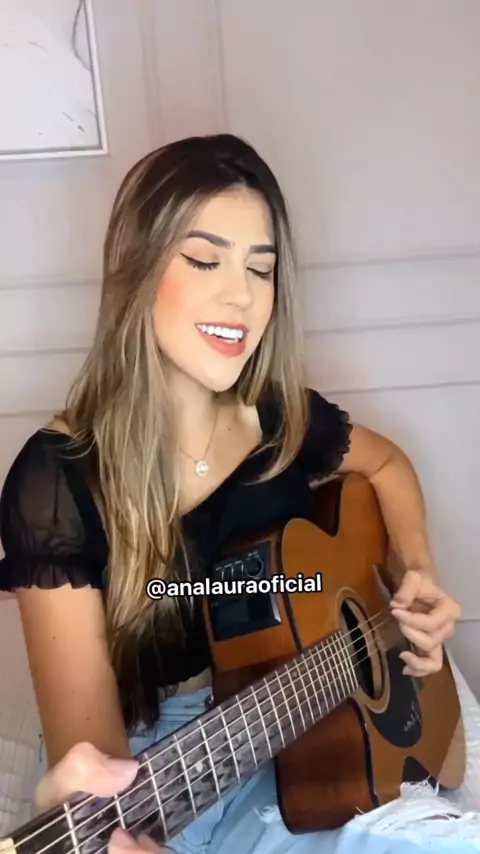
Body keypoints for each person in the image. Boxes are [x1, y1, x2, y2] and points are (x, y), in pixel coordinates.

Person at [0, 134, 463, 854]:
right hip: (166, 769)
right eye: (203, 259)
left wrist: (417, 572)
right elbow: (94, 764)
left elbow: (389, 467)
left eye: (261, 269)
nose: (241, 296)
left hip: (309, 740)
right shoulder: (57, 478)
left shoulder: (281, 421)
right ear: (138, 268)